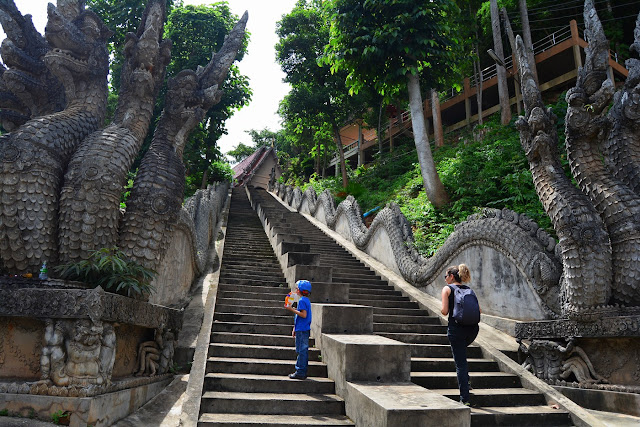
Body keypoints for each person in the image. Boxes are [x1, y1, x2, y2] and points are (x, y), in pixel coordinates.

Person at [441, 264, 480, 407]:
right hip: (472, 330)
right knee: (462, 357)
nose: (445, 279)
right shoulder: (470, 290)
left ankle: (465, 398)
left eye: (446, 276)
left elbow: (445, 311)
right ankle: (467, 381)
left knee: (461, 364)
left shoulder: (447, 289)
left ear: (451, 276)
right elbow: (479, 311)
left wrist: (443, 307)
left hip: (456, 329)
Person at [284, 279, 312, 379]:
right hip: (302, 328)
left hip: (302, 329)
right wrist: (295, 328)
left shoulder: (302, 301)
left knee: (301, 350)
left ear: (299, 290)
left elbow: (303, 315)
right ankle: (302, 370)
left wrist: (291, 309)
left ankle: (300, 371)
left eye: (297, 288)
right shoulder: (306, 300)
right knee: (302, 350)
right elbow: (301, 316)